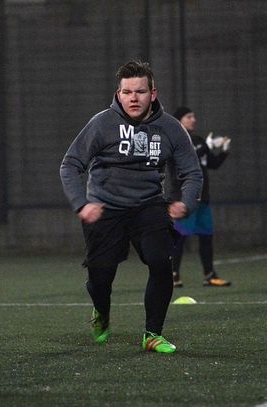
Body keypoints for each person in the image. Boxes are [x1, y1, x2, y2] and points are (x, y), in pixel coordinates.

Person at [60, 61, 202, 353]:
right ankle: (101, 310)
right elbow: (70, 165)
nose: (133, 98)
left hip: (148, 207)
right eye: (127, 92)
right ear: (119, 94)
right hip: (106, 208)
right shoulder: (102, 123)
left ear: (153, 93)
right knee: (101, 277)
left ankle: (152, 335)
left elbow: (192, 172)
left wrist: (186, 203)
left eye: (140, 91)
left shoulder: (171, 128)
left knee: (161, 263)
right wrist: (81, 204)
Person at [166, 107, 231, 288]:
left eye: (193, 116)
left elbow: (212, 163)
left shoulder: (199, 141)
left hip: (203, 198)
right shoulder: (175, 139)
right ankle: (172, 274)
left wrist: (224, 151)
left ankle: (209, 275)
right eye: (189, 117)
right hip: (184, 199)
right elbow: (191, 154)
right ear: (179, 121)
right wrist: (208, 146)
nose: (193, 119)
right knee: (179, 238)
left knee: (206, 236)